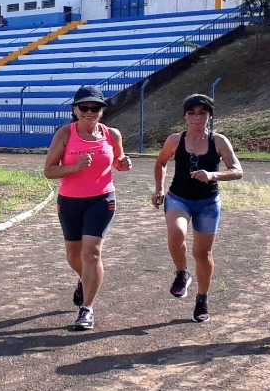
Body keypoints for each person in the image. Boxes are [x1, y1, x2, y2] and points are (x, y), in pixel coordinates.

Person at [43, 85, 131, 330]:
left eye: (95, 108)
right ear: (75, 109)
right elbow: (49, 170)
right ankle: (84, 279)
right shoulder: (65, 134)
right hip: (70, 201)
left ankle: (87, 309)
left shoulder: (112, 135)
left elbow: (118, 163)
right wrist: (75, 167)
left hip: (101, 199)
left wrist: (123, 165)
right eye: (84, 107)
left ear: (102, 111)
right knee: (73, 255)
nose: (89, 112)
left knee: (91, 252)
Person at [152, 94, 243, 323]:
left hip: (208, 203)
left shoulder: (219, 141)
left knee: (202, 254)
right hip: (178, 198)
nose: (196, 117)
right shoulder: (175, 140)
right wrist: (159, 189)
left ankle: (202, 299)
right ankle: (182, 273)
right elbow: (161, 161)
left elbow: (237, 170)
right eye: (191, 113)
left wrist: (213, 175)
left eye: (202, 113)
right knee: (176, 234)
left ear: (209, 116)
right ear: (185, 116)